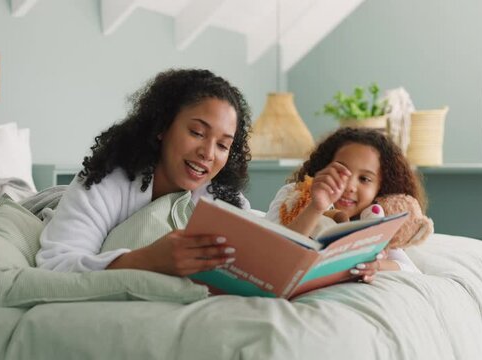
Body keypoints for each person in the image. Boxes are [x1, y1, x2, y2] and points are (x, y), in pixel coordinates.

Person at [36, 69, 252, 276]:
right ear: (162, 127)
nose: (208, 153)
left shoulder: (225, 201)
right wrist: (148, 260)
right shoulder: (103, 182)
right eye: (197, 132)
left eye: (223, 145)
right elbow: (56, 265)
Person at [265, 127, 427, 283]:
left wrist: (376, 266)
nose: (350, 186)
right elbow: (272, 252)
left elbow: (410, 269)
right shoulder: (293, 196)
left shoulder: (373, 216)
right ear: (323, 168)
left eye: (364, 179)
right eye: (340, 172)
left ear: (380, 188)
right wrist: (316, 207)